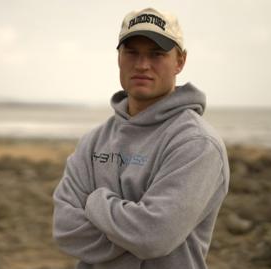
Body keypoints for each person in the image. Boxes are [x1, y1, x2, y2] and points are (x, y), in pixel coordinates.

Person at [52, 7, 230, 269]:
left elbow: (153, 237)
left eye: (156, 54)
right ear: (119, 58)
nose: (142, 65)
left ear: (180, 61)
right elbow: (65, 230)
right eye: (132, 52)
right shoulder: (93, 141)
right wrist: (131, 233)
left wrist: (94, 202)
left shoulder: (197, 144)